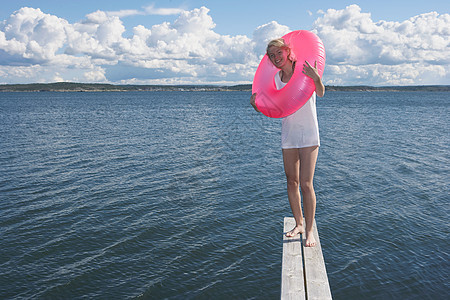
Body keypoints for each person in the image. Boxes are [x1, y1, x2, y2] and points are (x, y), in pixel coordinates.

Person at [250, 38, 325, 247]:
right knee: (291, 181)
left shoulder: (305, 69)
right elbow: (271, 108)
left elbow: (320, 93)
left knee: (307, 184)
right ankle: (298, 223)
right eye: (272, 56)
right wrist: (256, 106)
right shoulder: (276, 78)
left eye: (278, 53)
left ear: (287, 51)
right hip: (289, 134)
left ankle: (309, 230)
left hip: (309, 134)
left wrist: (316, 78)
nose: (275, 58)